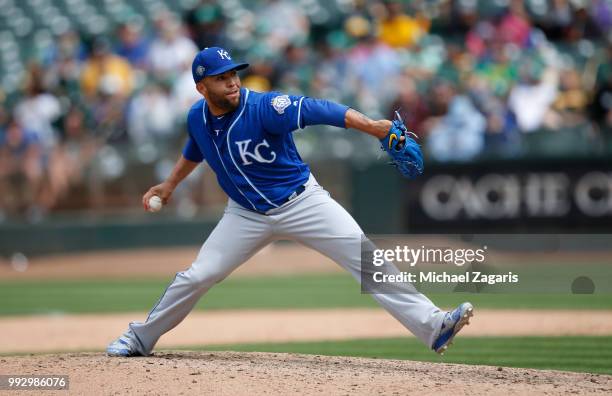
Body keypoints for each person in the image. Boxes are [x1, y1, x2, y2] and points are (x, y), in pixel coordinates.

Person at [107, 47, 473, 357]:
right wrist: (170, 184)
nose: (232, 81)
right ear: (202, 87)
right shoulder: (197, 117)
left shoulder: (265, 107)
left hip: (303, 203)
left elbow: (321, 109)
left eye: (234, 73)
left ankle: (434, 325)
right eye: (221, 77)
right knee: (198, 275)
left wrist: (374, 127)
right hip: (245, 215)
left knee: (366, 259)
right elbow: (196, 147)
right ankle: (140, 338)